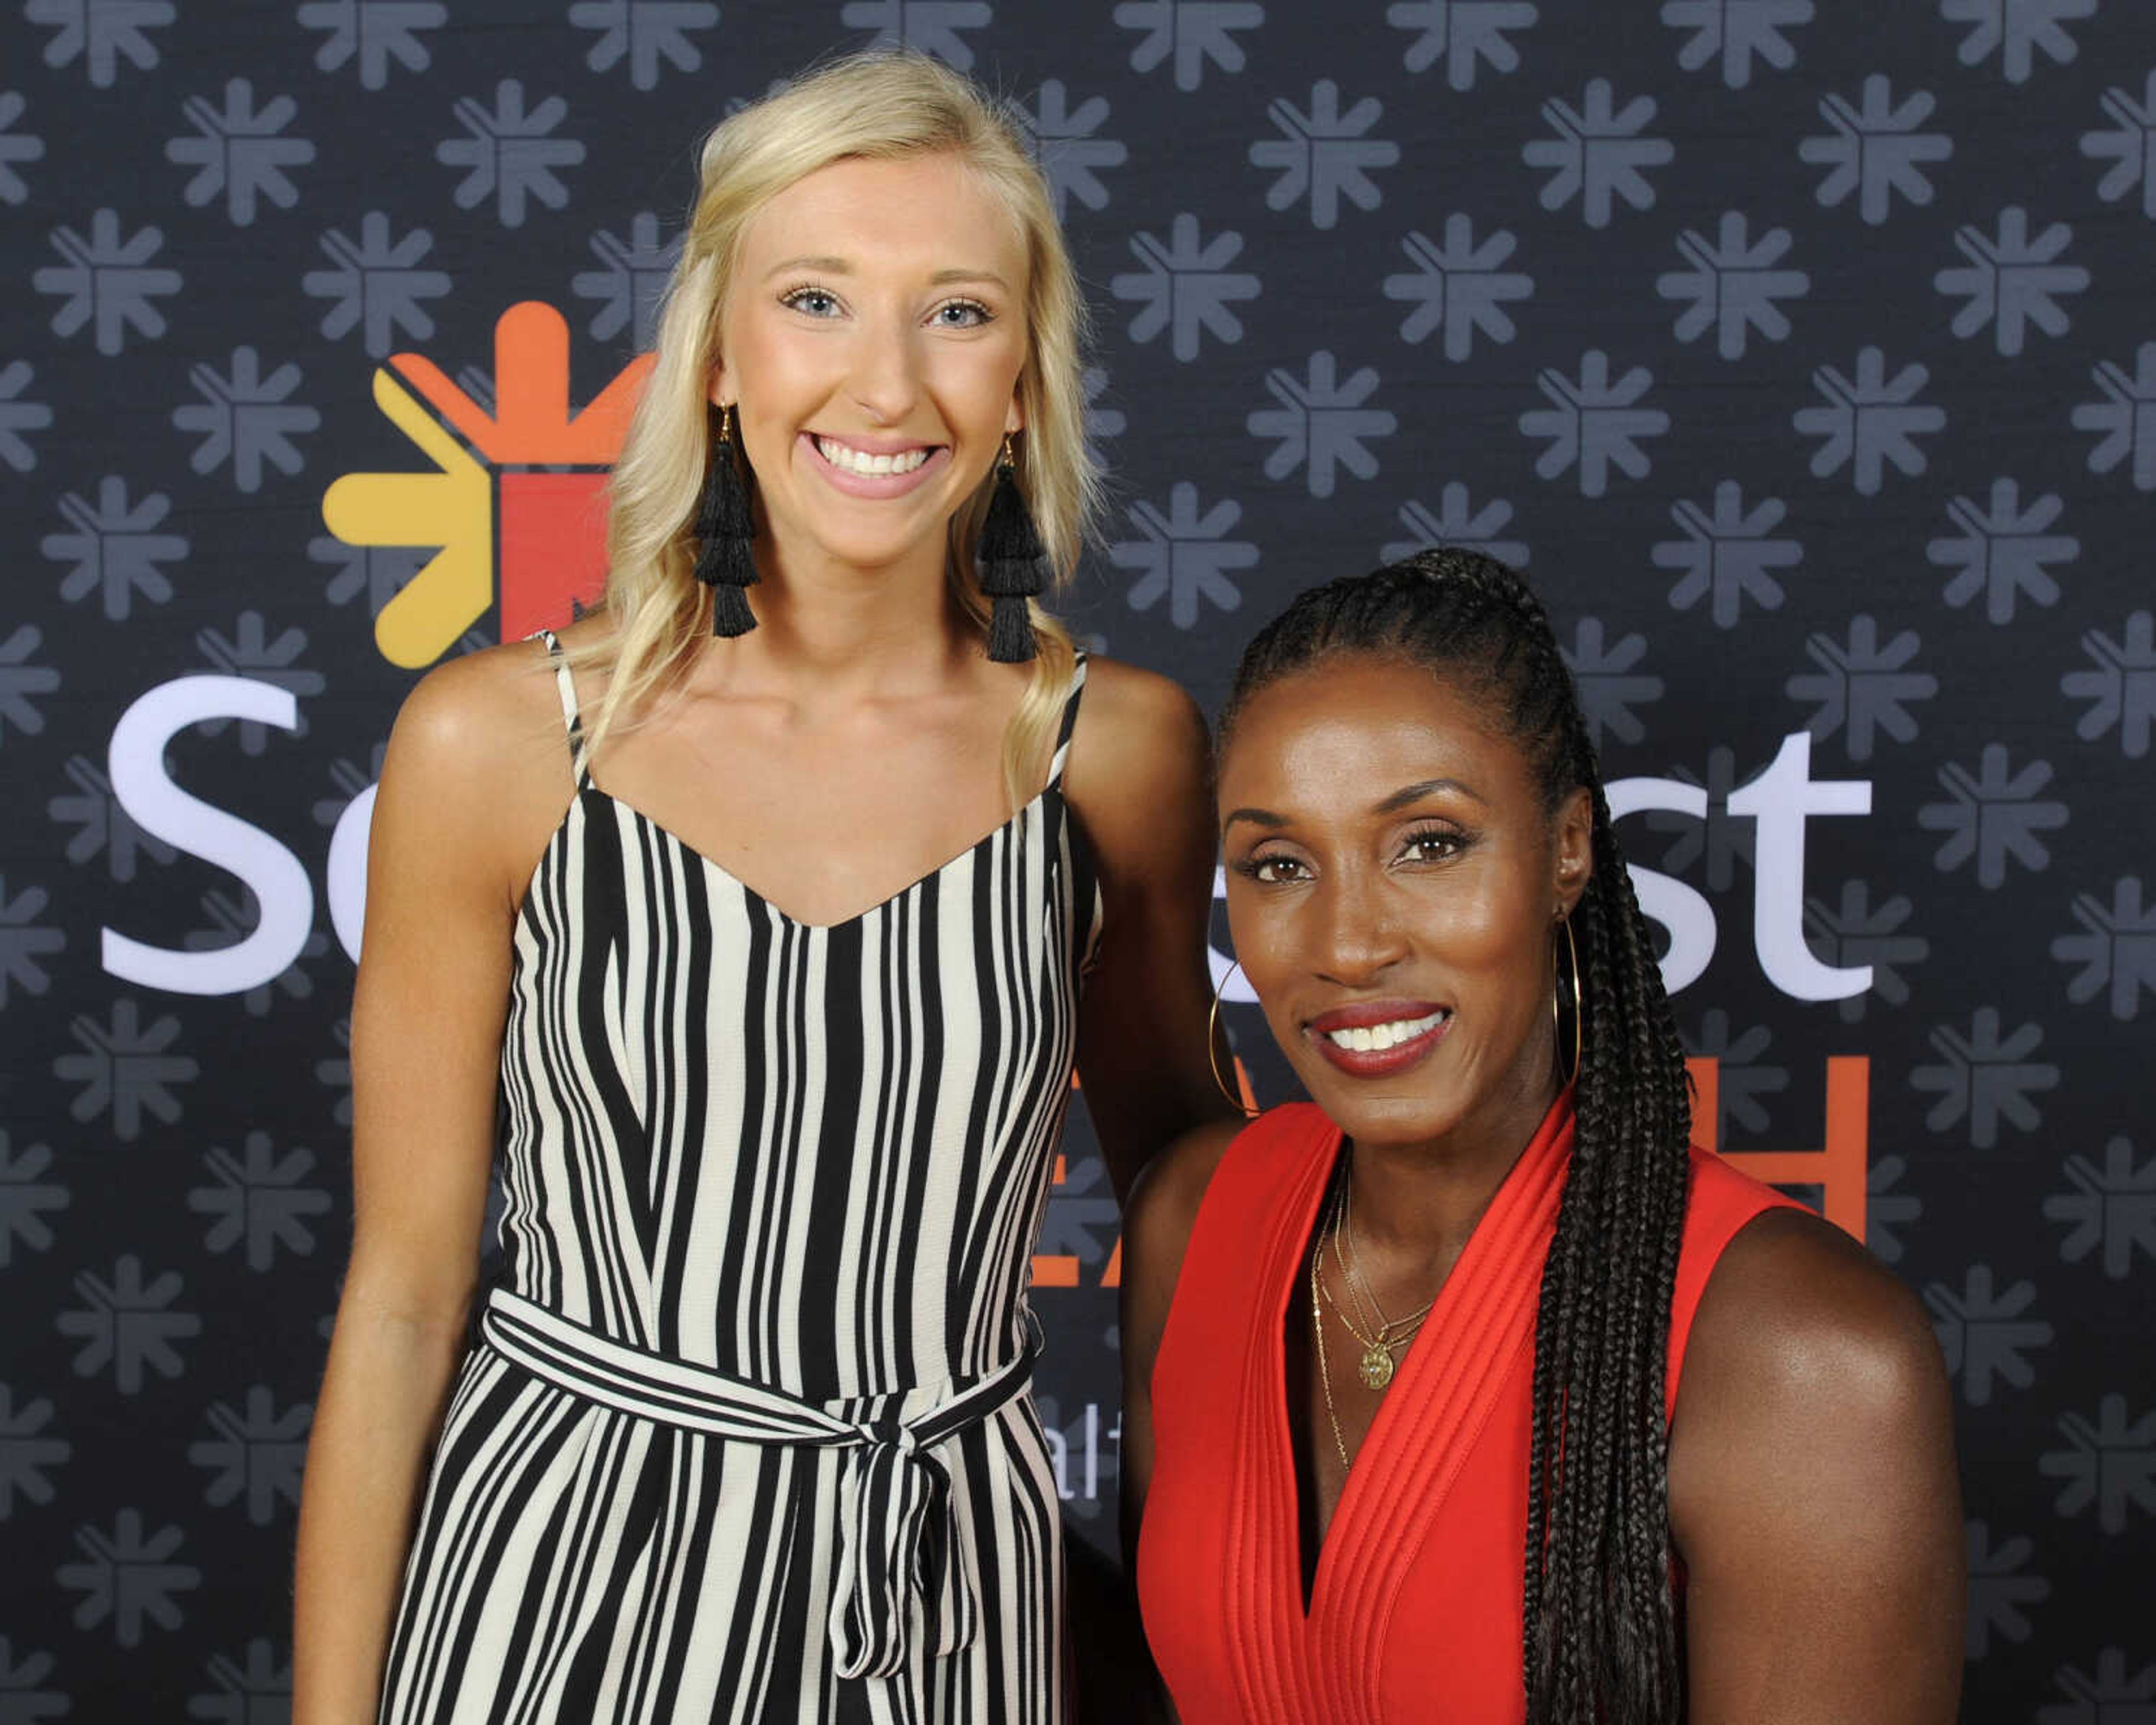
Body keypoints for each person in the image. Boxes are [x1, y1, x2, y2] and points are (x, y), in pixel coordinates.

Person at [294, 52, 1228, 1725]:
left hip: (951, 1598)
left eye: (956, 312)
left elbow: (1193, 1195)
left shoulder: (1116, 754)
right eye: (817, 300)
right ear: (719, 355)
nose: (886, 385)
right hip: (559, 1588)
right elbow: (406, 1296)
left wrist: (1208, 1616)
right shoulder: (499, 744)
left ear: (1023, 378)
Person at [1121, 553, 1963, 1723]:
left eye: (1428, 844)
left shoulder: (1797, 1355)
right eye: (1279, 865)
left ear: (1565, 851)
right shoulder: (1195, 1219)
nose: (1347, 944)